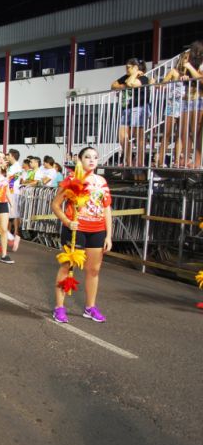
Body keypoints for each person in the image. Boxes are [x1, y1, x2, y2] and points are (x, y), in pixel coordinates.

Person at [50, 147, 112, 323]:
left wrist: (108, 235)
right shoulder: (71, 179)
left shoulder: (101, 181)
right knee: (67, 267)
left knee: (93, 270)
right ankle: (59, 308)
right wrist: (67, 222)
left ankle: (90, 307)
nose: (92, 160)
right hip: (75, 230)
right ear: (80, 159)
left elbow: (107, 209)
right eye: (87, 157)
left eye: (95, 157)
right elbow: (55, 205)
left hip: (97, 230)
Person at [112, 58, 149, 167]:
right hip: (127, 108)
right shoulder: (125, 77)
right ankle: (128, 160)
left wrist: (135, 74)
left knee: (139, 136)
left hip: (139, 108)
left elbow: (131, 84)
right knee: (122, 136)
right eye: (127, 66)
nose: (127, 69)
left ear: (136, 67)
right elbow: (113, 85)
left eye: (129, 67)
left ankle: (140, 161)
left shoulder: (143, 78)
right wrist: (124, 84)